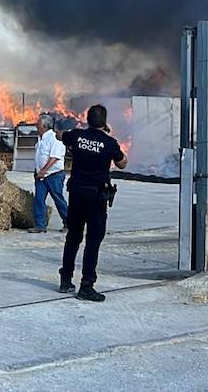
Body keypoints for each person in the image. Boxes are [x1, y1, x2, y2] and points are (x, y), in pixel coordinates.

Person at [59, 104, 127, 302]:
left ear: (87, 119)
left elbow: (59, 135)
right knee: (93, 241)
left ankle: (65, 279)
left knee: (73, 237)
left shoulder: (76, 136)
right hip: (96, 197)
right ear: (104, 122)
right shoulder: (109, 142)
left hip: (76, 193)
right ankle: (86, 286)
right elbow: (123, 163)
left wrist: (75, 137)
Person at [30, 113, 69, 233]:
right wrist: (37, 171)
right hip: (41, 176)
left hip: (54, 175)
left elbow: (55, 157)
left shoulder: (55, 138)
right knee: (39, 200)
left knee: (58, 199)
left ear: (45, 126)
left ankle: (69, 223)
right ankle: (40, 225)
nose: (36, 126)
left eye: (38, 124)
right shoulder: (40, 139)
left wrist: (44, 170)